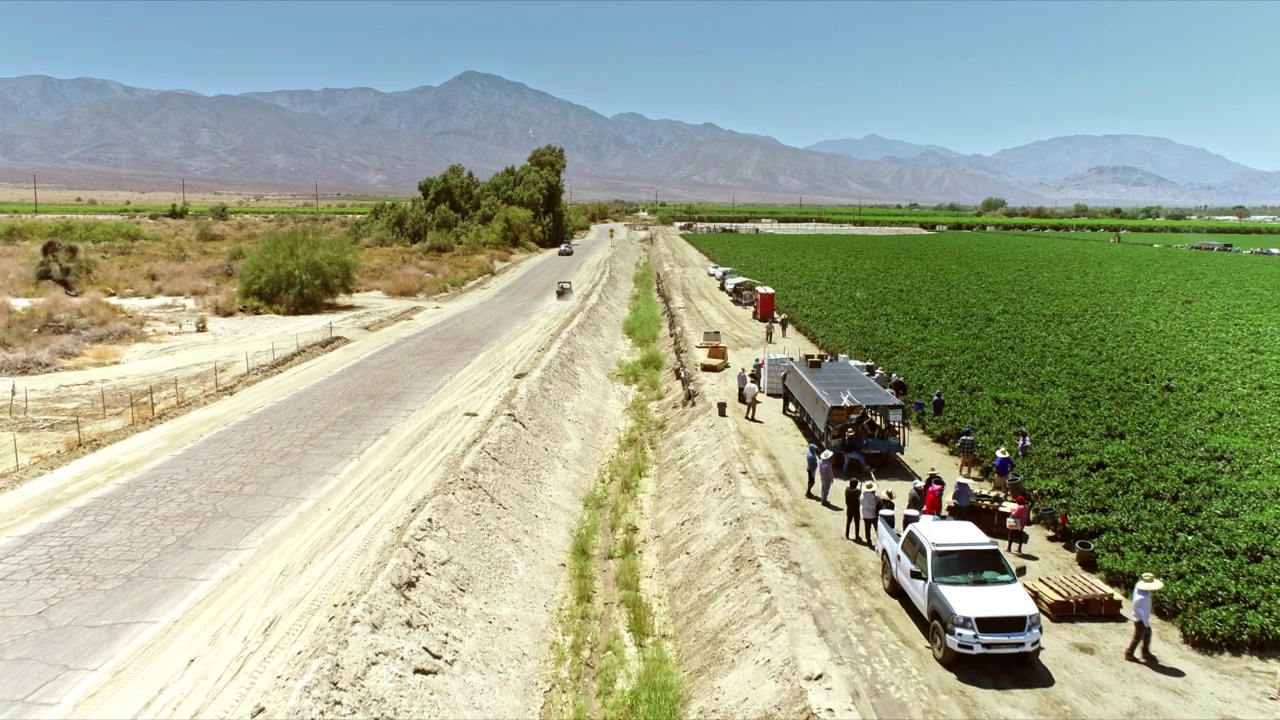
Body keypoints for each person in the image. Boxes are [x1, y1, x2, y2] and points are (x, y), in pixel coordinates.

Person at [1125, 573, 1164, 663]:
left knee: (1147, 634)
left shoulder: (1138, 589)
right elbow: (1144, 613)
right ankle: (1130, 653)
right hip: (1141, 620)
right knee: (1138, 636)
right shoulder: (1145, 597)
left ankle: (1145, 652)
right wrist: (1146, 624)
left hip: (1136, 615)